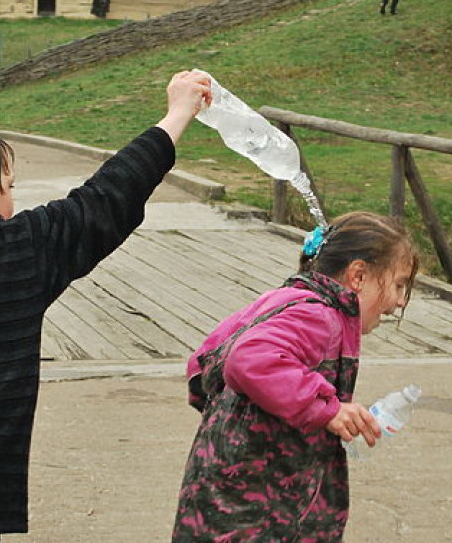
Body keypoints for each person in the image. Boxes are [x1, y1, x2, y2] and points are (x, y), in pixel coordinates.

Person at [0, 70, 212, 543]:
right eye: (9, 187)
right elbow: (110, 195)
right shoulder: (18, 251)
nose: (13, 200)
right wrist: (177, 114)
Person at [172, 212, 419, 542]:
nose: (401, 300)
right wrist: (324, 408)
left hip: (224, 488)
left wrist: (219, 410)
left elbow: (204, 360)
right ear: (358, 275)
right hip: (254, 509)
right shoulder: (320, 316)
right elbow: (247, 358)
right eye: (399, 284)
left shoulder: (286, 297)